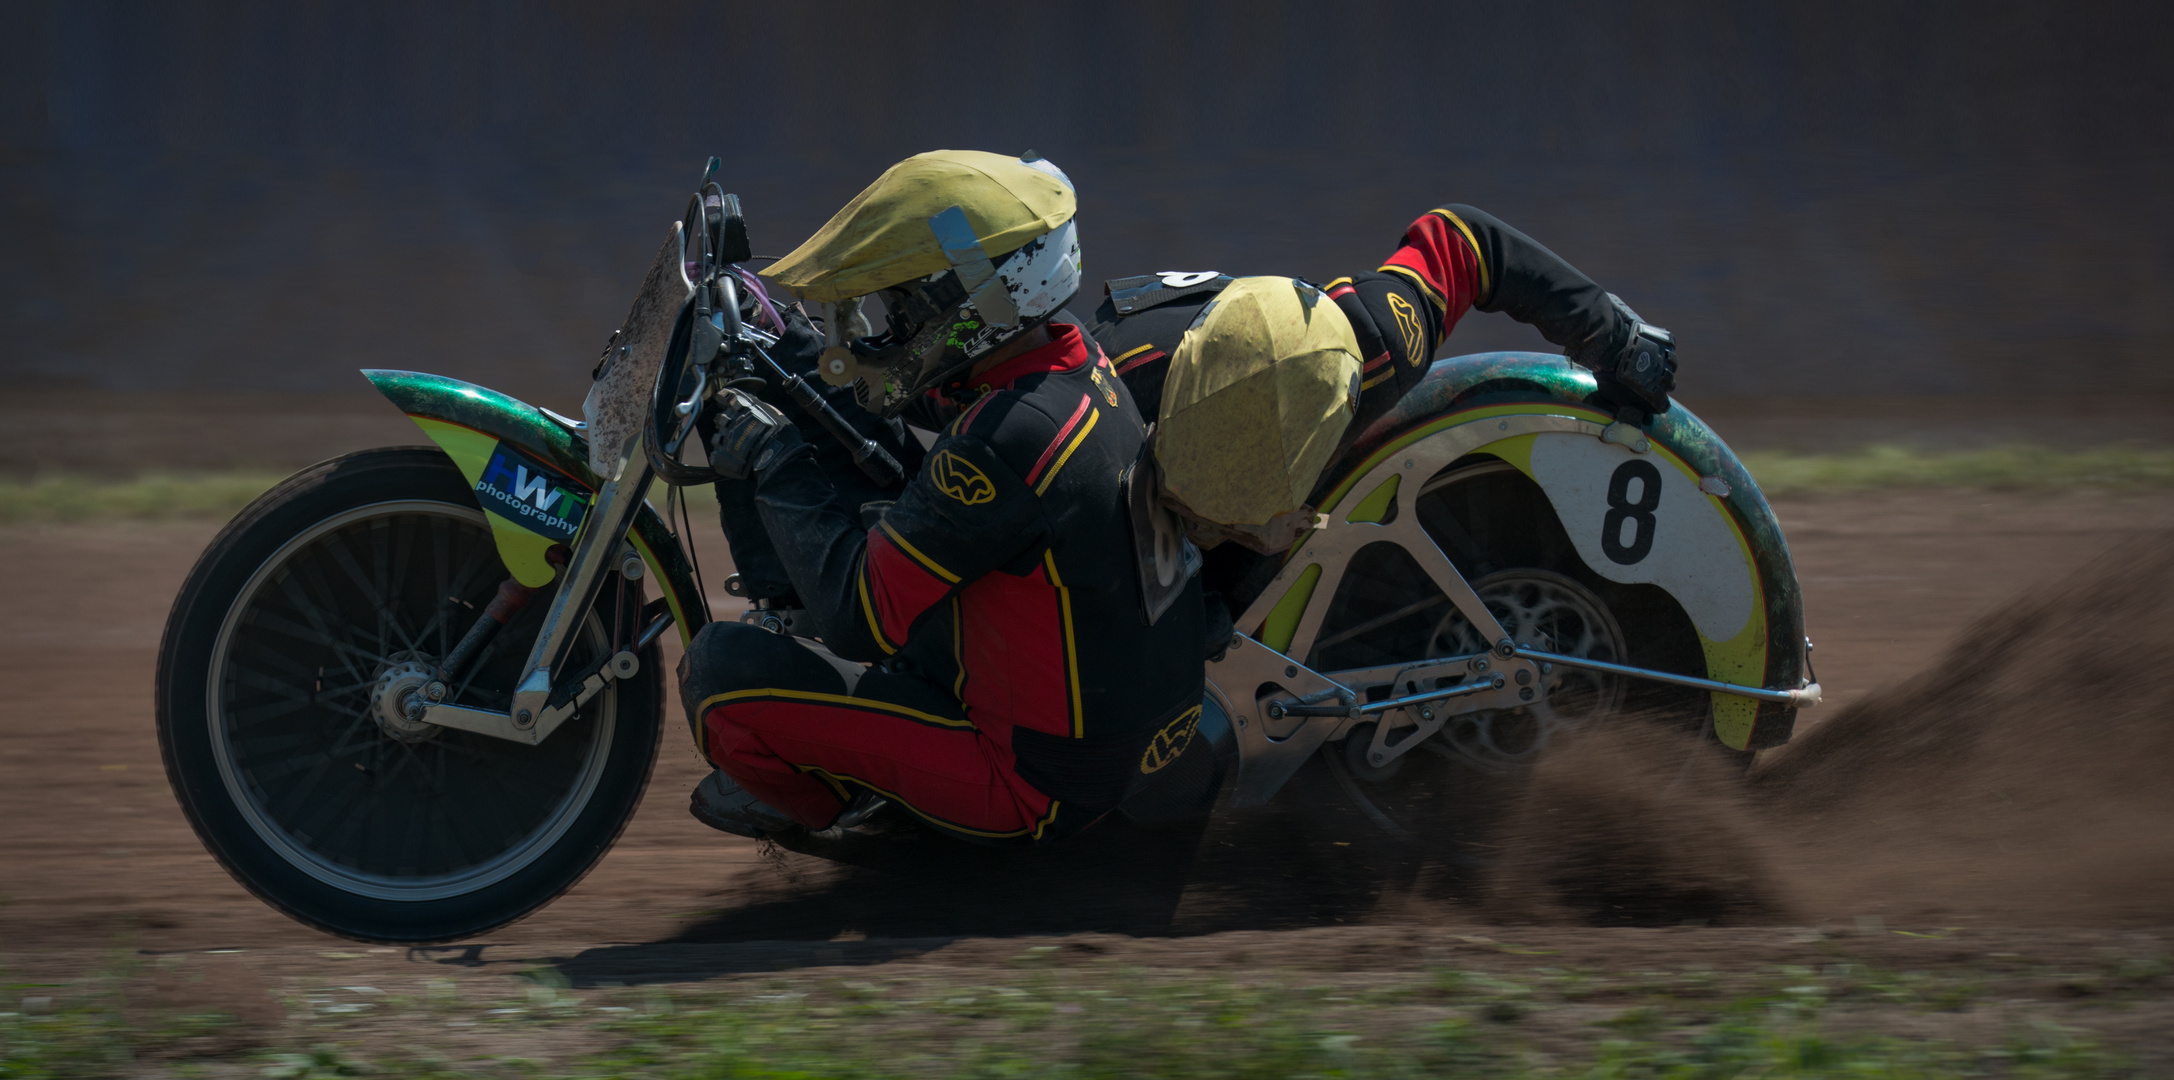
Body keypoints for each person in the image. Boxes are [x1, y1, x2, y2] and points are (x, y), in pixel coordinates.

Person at [678, 150, 1205, 842]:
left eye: (904, 304)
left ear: (982, 299)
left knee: (720, 678)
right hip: (1102, 723)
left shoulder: (1006, 441)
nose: (891, 323)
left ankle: (854, 822)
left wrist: (776, 460)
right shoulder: (1059, 365)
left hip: (1034, 780)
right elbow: (908, 393)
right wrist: (797, 344)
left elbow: (856, 615)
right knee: (860, 470)